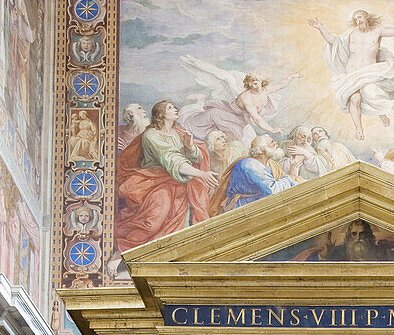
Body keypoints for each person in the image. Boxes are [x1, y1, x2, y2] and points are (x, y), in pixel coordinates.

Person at [308, 8, 394, 140]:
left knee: (373, 94)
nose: (358, 20)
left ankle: (381, 113)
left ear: (366, 17)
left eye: (359, 17)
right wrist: (321, 28)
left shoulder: (377, 31)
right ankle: (359, 129)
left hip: (370, 72)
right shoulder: (351, 34)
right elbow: (334, 41)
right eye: (355, 18)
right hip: (352, 73)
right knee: (355, 99)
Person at [115, 100, 217, 251]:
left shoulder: (179, 133)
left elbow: (195, 158)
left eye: (174, 106)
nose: (175, 108)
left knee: (184, 222)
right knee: (152, 221)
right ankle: (123, 252)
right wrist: (201, 173)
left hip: (180, 181)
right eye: (169, 108)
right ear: (160, 114)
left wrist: (190, 147)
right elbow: (172, 159)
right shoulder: (151, 135)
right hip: (155, 181)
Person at [209, 135, 300, 213]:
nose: (276, 143)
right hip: (244, 208)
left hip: (259, 203)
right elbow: (272, 190)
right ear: (262, 148)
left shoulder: (270, 164)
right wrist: (291, 177)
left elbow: (280, 179)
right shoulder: (249, 165)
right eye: (272, 142)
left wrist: (292, 178)